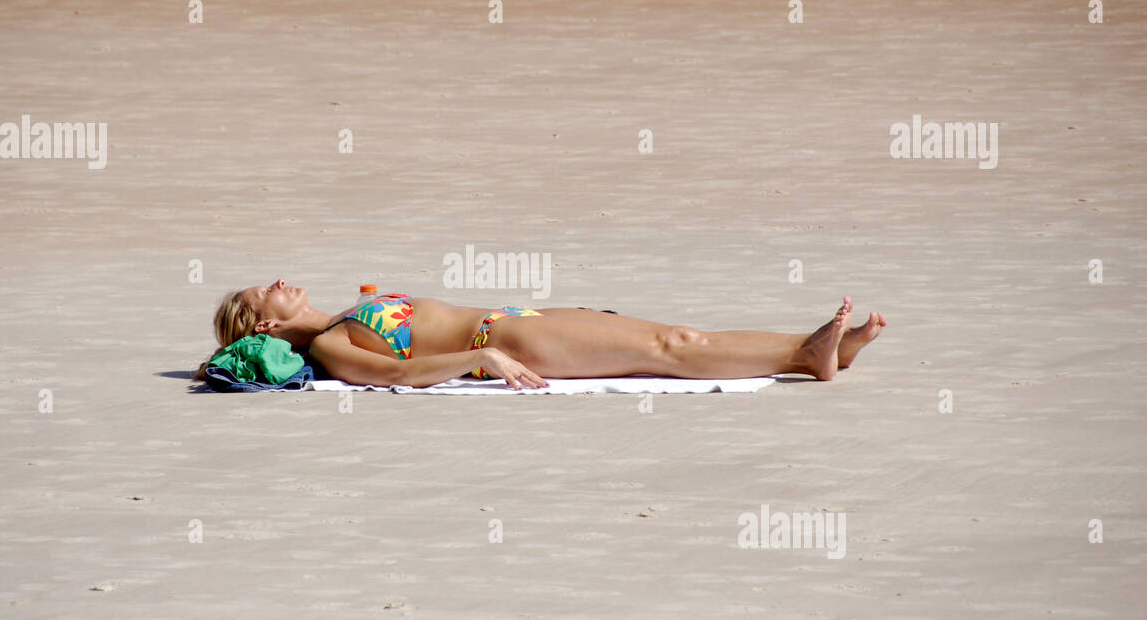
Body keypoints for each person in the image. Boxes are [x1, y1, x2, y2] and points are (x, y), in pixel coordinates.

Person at [200, 280, 885, 390]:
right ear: (266, 324)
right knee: (668, 352)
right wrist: (485, 355)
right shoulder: (326, 347)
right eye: (271, 288)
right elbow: (396, 375)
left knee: (679, 334)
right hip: (516, 343)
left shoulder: (356, 308)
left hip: (522, 322)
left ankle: (823, 349)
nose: (284, 279)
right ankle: (807, 355)